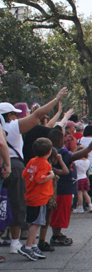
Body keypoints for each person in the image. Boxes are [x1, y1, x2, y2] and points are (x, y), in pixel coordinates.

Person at [0, 88, 68, 255]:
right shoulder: (12, 127)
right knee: (16, 203)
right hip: (13, 165)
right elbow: (38, 115)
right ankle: (16, 242)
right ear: (9, 116)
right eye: (14, 114)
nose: (17, 117)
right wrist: (56, 99)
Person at [19, 137, 55, 261]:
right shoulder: (44, 164)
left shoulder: (32, 161)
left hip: (31, 195)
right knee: (37, 223)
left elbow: (24, 174)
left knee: (33, 222)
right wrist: (51, 175)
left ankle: (33, 246)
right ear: (49, 151)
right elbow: (39, 179)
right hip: (39, 197)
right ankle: (28, 247)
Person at [73, 146, 92, 213]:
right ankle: (90, 206)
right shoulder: (88, 161)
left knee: (79, 194)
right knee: (85, 193)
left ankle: (80, 207)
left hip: (78, 178)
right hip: (85, 177)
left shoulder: (76, 162)